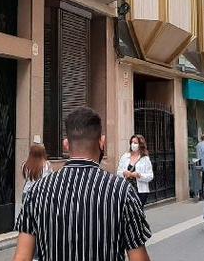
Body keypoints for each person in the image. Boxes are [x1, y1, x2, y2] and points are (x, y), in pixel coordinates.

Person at [14, 107, 151, 261]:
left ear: (66, 144)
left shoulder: (37, 192)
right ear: (102, 142)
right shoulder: (122, 191)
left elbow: (22, 257)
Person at [117, 134, 155, 206]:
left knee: (138, 214)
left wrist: (139, 175)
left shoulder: (145, 159)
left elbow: (150, 176)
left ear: (140, 145)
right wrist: (124, 173)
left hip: (140, 191)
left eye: (135, 143)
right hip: (126, 191)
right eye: (132, 142)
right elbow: (118, 172)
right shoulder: (125, 156)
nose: (133, 144)